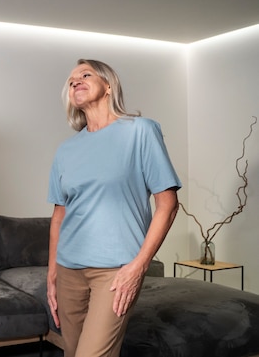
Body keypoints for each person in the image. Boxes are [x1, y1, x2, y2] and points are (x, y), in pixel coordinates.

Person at [46, 59, 181, 357]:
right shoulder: (67, 149)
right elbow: (59, 216)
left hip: (115, 271)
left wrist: (139, 265)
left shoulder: (140, 131)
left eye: (85, 75)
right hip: (68, 270)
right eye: (70, 80)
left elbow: (168, 205)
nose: (75, 81)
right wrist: (52, 274)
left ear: (108, 86)